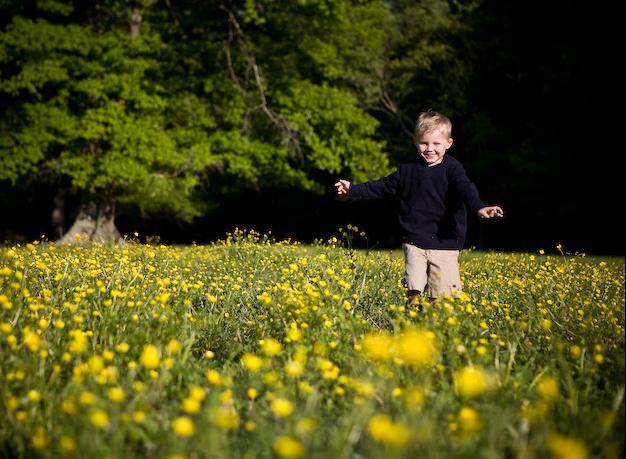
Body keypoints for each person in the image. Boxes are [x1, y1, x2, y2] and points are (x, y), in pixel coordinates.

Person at [335, 110, 503, 307]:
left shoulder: (453, 168)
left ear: (448, 143)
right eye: (424, 143)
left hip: (445, 241)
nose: (430, 149)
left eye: (436, 144)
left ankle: (435, 320)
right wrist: (352, 190)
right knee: (414, 286)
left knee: (441, 295)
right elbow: (382, 186)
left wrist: (479, 207)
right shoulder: (407, 169)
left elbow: (466, 188)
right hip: (414, 239)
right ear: (415, 142)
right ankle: (413, 314)